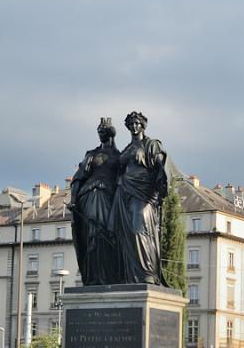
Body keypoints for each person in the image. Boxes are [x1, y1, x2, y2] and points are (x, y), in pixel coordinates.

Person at [107, 111, 169, 285]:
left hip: (143, 192)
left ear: (143, 125)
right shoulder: (127, 149)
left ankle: (147, 273)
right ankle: (130, 276)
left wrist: (161, 187)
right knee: (124, 234)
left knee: (138, 230)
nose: (134, 126)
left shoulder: (151, 144)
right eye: (131, 124)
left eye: (137, 123)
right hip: (123, 191)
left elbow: (161, 167)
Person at [70, 117, 121, 285]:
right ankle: (93, 276)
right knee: (92, 233)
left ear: (110, 134)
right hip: (91, 196)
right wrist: (73, 199)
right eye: (98, 132)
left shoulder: (120, 156)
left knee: (106, 234)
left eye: (103, 132)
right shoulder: (91, 154)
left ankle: (109, 275)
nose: (100, 135)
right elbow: (78, 178)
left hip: (110, 198)